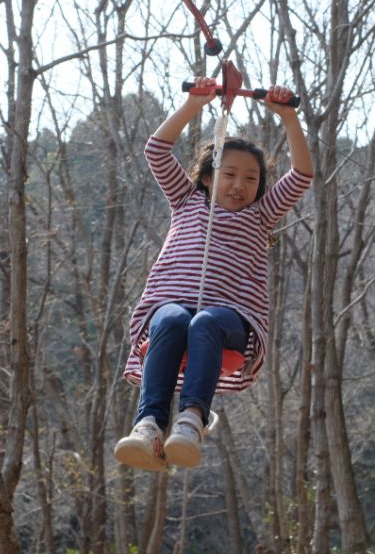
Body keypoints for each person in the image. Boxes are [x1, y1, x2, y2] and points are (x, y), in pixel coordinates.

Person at [114, 76, 313, 471]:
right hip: (172, 312)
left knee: (205, 321)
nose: (240, 185)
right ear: (207, 177)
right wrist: (193, 105)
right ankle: (149, 425)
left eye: (251, 179)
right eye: (229, 174)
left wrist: (289, 118)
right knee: (170, 318)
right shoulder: (187, 200)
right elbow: (156, 149)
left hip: (231, 323)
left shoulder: (261, 215)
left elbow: (302, 175)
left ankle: (191, 419)